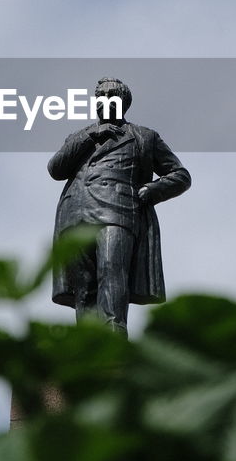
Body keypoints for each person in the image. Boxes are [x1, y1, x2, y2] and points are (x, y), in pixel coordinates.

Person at [48, 77, 190, 334]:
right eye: (99, 96)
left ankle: (115, 337)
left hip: (118, 211)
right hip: (76, 213)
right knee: (83, 286)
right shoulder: (80, 137)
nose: (103, 100)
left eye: (109, 95)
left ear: (122, 102)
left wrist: (150, 190)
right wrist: (92, 136)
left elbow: (180, 175)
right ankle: (88, 344)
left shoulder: (145, 136)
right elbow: (56, 169)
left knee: (112, 272)